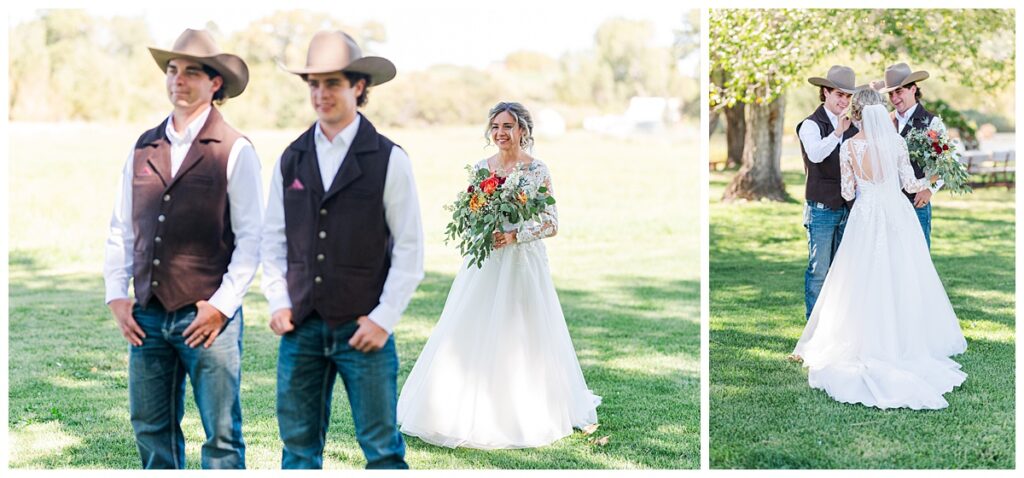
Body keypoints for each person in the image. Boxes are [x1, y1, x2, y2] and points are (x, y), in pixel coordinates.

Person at [261, 30, 424, 469]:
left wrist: (383, 318)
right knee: (297, 451)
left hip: (363, 327)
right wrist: (278, 300)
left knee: (383, 451)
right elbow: (272, 239)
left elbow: (410, 250)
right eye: (313, 83)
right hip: (301, 329)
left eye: (331, 83)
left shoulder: (389, 159)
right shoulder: (290, 158)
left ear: (358, 87)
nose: (320, 93)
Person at [396, 101, 600, 449]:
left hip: (522, 262)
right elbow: (473, 209)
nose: (501, 133)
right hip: (487, 261)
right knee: (470, 326)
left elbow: (552, 223)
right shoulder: (480, 168)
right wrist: (481, 229)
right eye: (495, 127)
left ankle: (523, 408)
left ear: (523, 130)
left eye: (508, 126)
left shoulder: (537, 170)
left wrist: (515, 235)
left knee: (523, 330)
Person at [103, 28, 262, 469]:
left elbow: (252, 240)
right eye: (173, 70)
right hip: (147, 315)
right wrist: (116, 294)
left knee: (222, 437)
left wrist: (221, 305)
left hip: (208, 317)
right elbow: (120, 225)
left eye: (192, 71)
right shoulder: (143, 146)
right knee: (151, 430)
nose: (178, 79)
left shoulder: (235, 150)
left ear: (215, 83)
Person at [791, 88, 967, 410]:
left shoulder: (849, 147)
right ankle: (904, 341)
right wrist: (930, 178)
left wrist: (865, 187)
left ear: (856, 113)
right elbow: (910, 185)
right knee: (902, 274)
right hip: (897, 215)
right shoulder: (897, 143)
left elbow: (847, 192)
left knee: (860, 279)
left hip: (865, 215)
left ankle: (861, 339)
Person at [798, 66, 862, 320]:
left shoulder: (853, 126)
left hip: (848, 209)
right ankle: (813, 325)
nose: (843, 101)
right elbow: (815, 154)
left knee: (842, 270)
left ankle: (836, 325)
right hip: (822, 208)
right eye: (839, 95)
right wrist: (837, 132)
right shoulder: (810, 125)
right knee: (819, 270)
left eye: (848, 97)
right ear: (825, 92)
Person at [880, 62, 946, 248]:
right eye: (891, 93)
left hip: (916, 201)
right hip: (889, 201)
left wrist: (929, 190)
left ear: (913, 89)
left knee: (919, 257)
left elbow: (946, 162)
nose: (894, 98)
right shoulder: (885, 120)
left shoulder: (932, 123)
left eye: (899, 91)